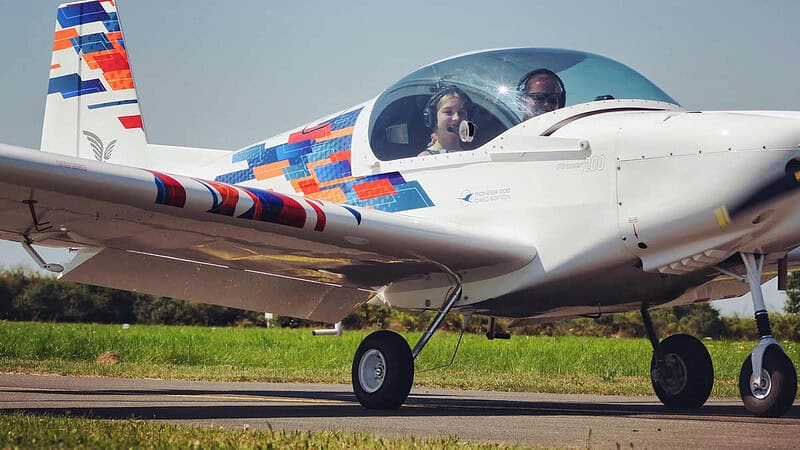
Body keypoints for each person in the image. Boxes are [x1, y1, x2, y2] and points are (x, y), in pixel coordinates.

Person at [419, 85, 472, 156]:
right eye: (448, 112)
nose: (456, 118)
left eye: (461, 112)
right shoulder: (425, 157)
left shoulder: (473, 153)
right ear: (433, 118)